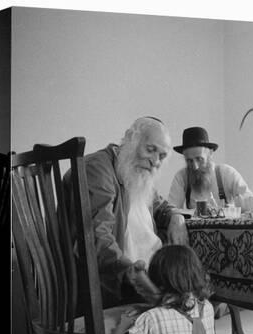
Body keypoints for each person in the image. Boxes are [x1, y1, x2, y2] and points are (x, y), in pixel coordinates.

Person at [63, 117, 188, 308]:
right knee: (182, 311)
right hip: (120, 284)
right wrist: (133, 274)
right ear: (130, 139)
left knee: (194, 298)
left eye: (162, 156)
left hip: (147, 274)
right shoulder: (98, 169)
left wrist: (175, 216)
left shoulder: (135, 172)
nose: (155, 161)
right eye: (150, 149)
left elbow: (160, 205)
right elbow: (96, 238)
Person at [168, 126, 252, 209]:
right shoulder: (181, 177)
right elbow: (172, 210)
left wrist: (232, 208)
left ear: (210, 154)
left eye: (199, 159)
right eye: (189, 161)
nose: (195, 166)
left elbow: (250, 202)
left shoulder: (226, 173)